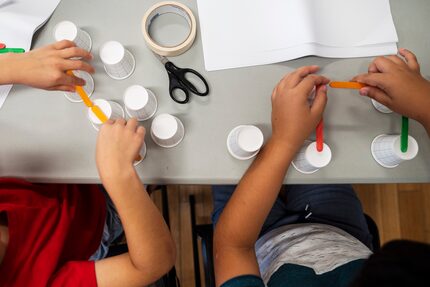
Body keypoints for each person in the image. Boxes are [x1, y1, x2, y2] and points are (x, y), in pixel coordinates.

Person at [212, 49, 430, 287]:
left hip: (254, 241)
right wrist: (423, 101)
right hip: (336, 230)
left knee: (222, 149)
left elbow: (232, 247)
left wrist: (285, 140)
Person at [0, 40, 176, 287]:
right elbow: (154, 263)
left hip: (59, 178)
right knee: (152, 154)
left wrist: (9, 67)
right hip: (97, 217)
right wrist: (119, 177)